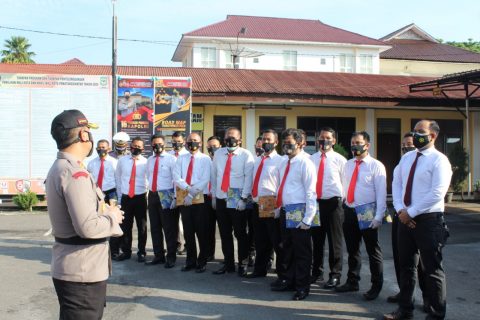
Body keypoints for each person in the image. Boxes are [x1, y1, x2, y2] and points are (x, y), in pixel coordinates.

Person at [46, 109, 124, 319]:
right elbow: (87, 227)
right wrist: (112, 217)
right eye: (89, 131)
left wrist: (103, 211)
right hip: (82, 271)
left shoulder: (64, 167)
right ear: (83, 135)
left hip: (77, 268)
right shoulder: (74, 172)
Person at [384, 120, 452, 320]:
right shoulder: (407, 159)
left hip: (429, 221)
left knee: (432, 270)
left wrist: (411, 212)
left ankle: (437, 313)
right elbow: (397, 185)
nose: (416, 135)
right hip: (405, 219)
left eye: (421, 132)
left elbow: (437, 192)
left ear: (433, 136)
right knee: (406, 267)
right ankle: (405, 310)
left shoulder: (439, 160)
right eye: (415, 131)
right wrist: (400, 211)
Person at [336, 131, 386, 301]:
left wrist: (379, 216)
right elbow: (345, 185)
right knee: (352, 250)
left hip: (368, 213)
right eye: (352, 143)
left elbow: (381, 194)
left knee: (373, 251)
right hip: (350, 211)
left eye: (358, 142)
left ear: (367, 145)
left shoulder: (376, 166)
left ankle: (376, 285)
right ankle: (352, 281)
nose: (354, 146)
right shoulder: (348, 164)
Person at [271, 128, 317, 301]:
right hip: (286, 211)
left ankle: (302, 286)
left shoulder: (306, 163)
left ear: (300, 143)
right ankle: (289, 280)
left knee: (302, 252)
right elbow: (281, 187)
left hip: (301, 213)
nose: (286, 146)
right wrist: (278, 207)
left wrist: (308, 218)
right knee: (287, 249)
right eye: (284, 143)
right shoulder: (284, 162)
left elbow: (311, 192)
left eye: (290, 143)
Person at [387, 132, 427, 304]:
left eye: (409, 144)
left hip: (421, 216)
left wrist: (411, 213)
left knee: (422, 262)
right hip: (401, 214)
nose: (406, 147)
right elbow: (396, 189)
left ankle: (428, 296)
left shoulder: (427, 162)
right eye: (404, 145)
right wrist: (401, 211)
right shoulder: (401, 164)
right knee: (401, 257)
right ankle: (404, 293)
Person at [211, 127, 254, 277]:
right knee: (224, 233)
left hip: (237, 200)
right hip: (222, 198)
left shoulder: (246, 155)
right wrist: (214, 196)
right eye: (227, 136)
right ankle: (228, 263)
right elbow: (214, 175)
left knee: (240, 233)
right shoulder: (218, 153)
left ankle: (243, 263)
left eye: (233, 137)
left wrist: (243, 198)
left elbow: (249, 178)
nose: (230, 139)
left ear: (240, 140)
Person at [309, 127, 346, 288]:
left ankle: (335, 274)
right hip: (316, 204)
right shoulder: (311, 159)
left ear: (334, 141)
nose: (324, 141)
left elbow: (346, 182)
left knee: (334, 242)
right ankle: (317, 273)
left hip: (333, 204)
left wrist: (341, 202)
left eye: (327, 138)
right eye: (321, 138)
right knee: (316, 241)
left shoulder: (340, 160)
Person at [246, 129, 283, 281]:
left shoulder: (280, 161)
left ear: (276, 142)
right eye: (263, 139)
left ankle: (282, 273)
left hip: (271, 203)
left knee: (276, 241)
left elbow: (281, 184)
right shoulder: (257, 160)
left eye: (269, 139)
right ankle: (259, 269)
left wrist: (278, 207)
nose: (265, 142)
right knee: (260, 239)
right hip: (257, 203)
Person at [174, 133, 211, 273]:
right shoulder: (181, 158)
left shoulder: (205, 159)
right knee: (188, 232)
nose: (192, 143)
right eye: (190, 141)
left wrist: (191, 193)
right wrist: (188, 190)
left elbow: (205, 179)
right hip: (185, 198)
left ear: (200, 143)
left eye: (195, 141)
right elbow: (177, 177)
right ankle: (190, 260)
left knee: (201, 232)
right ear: (186, 143)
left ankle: (202, 261)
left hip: (200, 199)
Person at [114, 137, 148, 262]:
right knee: (125, 226)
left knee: (142, 226)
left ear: (143, 148)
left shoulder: (146, 162)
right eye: (134, 146)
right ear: (130, 146)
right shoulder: (122, 161)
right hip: (126, 197)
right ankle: (126, 251)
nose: (136, 148)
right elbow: (118, 178)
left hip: (140, 197)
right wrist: (119, 197)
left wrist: (147, 193)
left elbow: (149, 178)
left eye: (139, 146)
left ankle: (141, 252)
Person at [145, 134, 177, 266]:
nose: (157, 146)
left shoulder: (171, 159)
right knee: (155, 227)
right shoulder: (150, 160)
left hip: (167, 195)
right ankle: (158, 255)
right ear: (151, 145)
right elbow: (148, 176)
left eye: (159, 143)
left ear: (164, 144)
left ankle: (171, 257)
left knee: (169, 228)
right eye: (154, 144)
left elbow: (176, 179)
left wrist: (175, 197)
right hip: (153, 195)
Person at [87, 139, 120, 258]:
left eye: (104, 147)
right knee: (96, 220)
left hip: (111, 193)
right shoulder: (91, 163)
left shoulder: (114, 162)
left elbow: (118, 180)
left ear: (109, 148)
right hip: (97, 194)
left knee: (114, 221)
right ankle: (98, 249)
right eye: (99, 147)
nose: (101, 149)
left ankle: (114, 250)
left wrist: (119, 197)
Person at [169, 131, 189, 255]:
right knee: (173, 221)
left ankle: (188, 244)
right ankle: (176, 244)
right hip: (170, 192)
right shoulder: (168, 155)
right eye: (174, 142)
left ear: (184, 142)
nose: (176, 144)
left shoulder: (188, 155)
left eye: (179, 142)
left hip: (183, 192)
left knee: (186, 221)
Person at [205, 136, 222, 260]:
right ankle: (209, 254)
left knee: (224, 229)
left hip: (221, 198)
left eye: (215, 146)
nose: (212, 149)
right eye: (210, 146)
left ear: (220, 146)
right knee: (208, 229)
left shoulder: (224, 160)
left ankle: (227, 257)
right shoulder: (204, 160)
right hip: (207, 199)